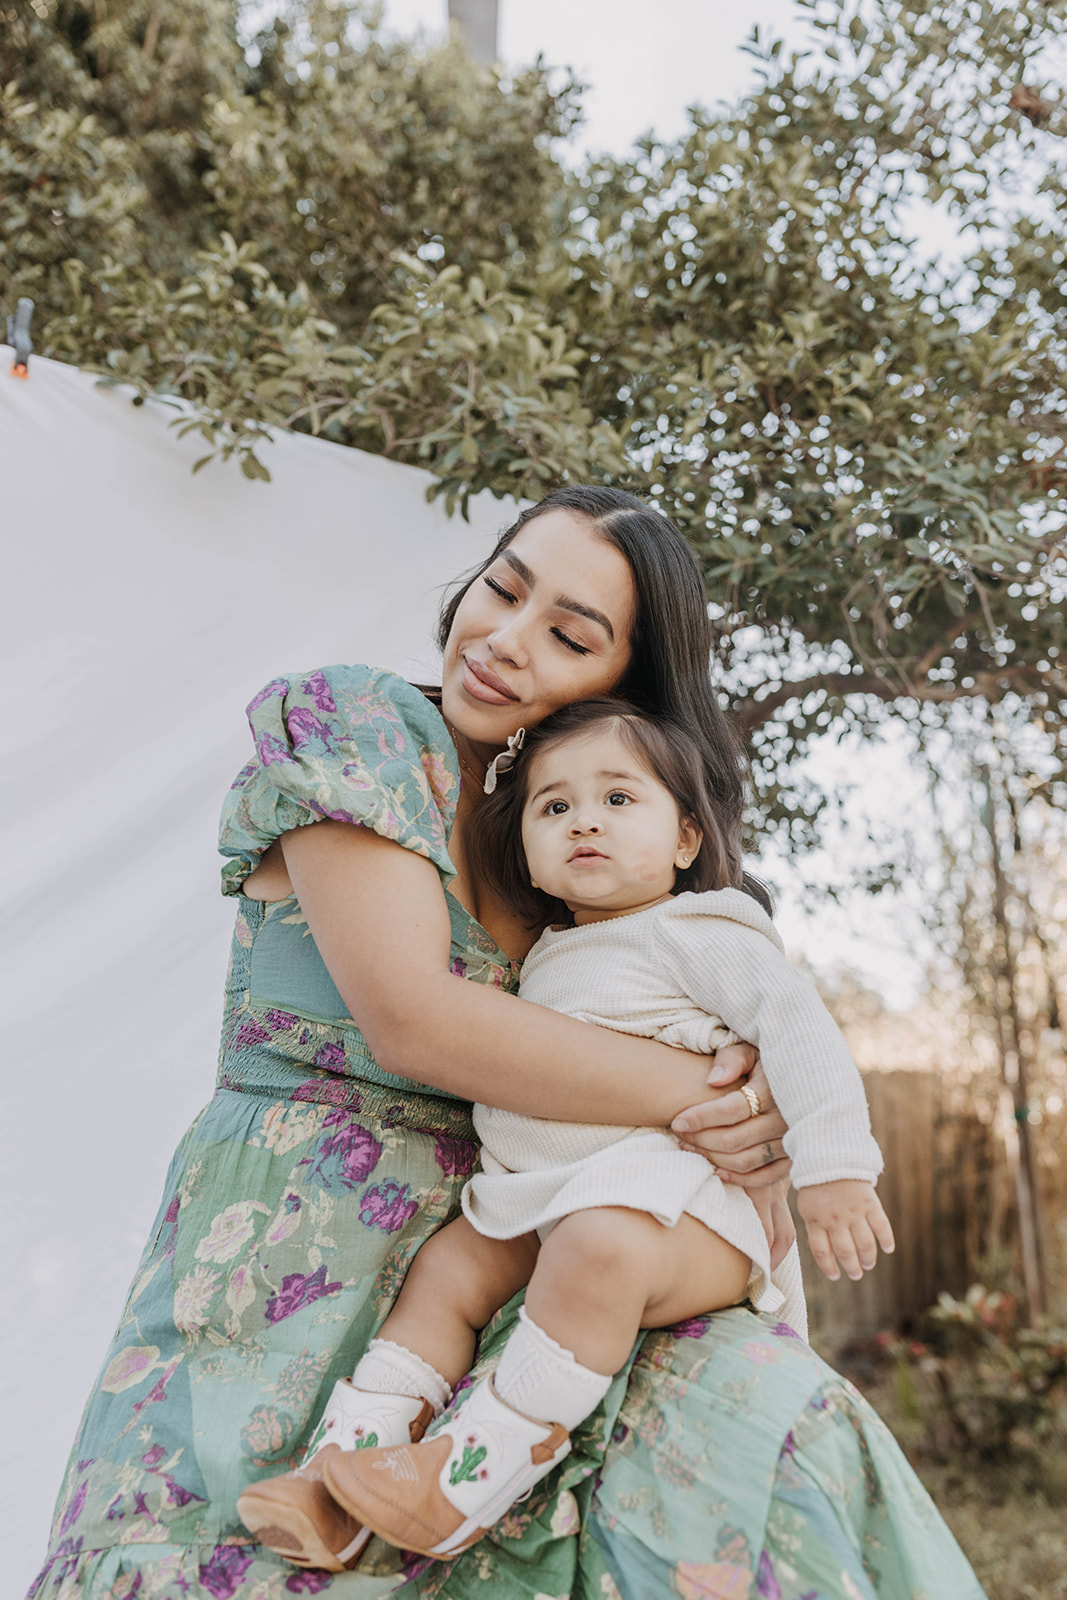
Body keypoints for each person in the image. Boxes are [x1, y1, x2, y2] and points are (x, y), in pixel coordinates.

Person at [29, 486, 987, 1600]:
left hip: (529, 1259)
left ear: (616, 691)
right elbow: (416, 1019)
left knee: (782, 1449)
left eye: (568, 635)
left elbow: (723, 1012)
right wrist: (710, 1095)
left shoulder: (570, 860)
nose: (504, 639)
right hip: (287, 1267)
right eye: (503, 587)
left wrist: (770, 1125)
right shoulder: (365, 729)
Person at [240, 698, 896, 1567]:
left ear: (686, 841)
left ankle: (459, 1480)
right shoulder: (546, 954)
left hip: (678, 1212)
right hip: (542, 1196)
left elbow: (799, 1026)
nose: (584, 818)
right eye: (555, 807)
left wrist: (835, 1169)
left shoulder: (698, 928)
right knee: (449, 1268)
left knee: (599, 1245)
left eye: (619, 799)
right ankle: (336, 1477)